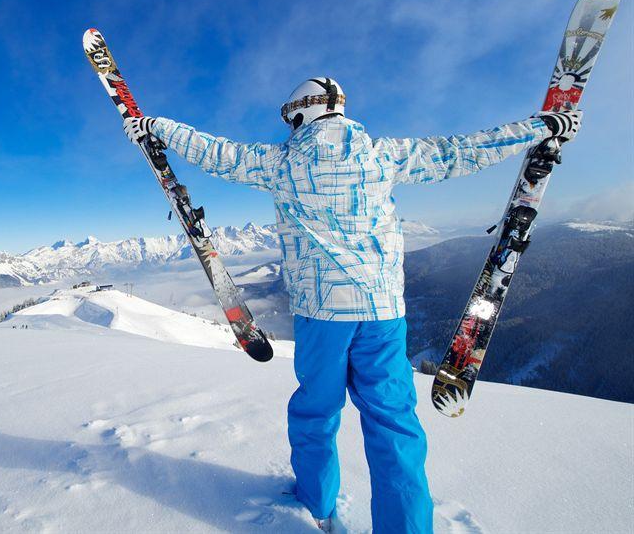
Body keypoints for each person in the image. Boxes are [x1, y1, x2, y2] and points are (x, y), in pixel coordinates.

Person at [121, 78, 582, 534]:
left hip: (322, 315)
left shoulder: (281, 163)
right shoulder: (383, 154)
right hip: (383, 312)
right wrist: (540, 128)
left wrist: (154, 126)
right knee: (394, 423)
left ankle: (315, 501)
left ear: (302, 111)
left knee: (316, 412)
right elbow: (460, 150)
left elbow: (214, 152)